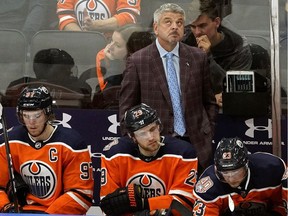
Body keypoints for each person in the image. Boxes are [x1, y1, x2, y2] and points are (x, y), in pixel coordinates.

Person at [119, 3, 218, 172]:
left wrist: (208, 132)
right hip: (156, 146)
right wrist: (137, 144)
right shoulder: (138, 61)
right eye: (168, 22)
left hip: (196, 144)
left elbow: (209, 101)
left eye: (179, 23)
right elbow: (126, 109)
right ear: (156, 28)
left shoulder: (198, 57)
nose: (174, 26)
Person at [0, 85, 94, 214]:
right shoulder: (8, 141)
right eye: (26, 116)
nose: (31, 122)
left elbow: (81, 193)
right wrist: (6, 208)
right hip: (21, 211)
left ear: (48, 113)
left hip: (57, 213)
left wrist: (48, 215)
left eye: (37, 116)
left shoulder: (71, 143)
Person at [99, 103, 198, 215]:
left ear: (159, 125)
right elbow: (108, 205)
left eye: (152, 129)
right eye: (142, 134)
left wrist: (142, 203)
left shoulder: (183, 153)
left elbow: (182, 203)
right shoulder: (113, 154)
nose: (151, 137)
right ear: (132, 137)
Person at [192, 137, 287, 216]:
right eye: (225, 173)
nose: (231, 178)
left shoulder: (272, 169)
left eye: (235, 172)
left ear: (246, 165)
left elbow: (281, 205)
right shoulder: (208, 186)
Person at [184, 0, 252, 107]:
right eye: (193, 26)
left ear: (216, 22)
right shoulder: (184, 41)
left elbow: (235, 88)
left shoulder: (238, 48)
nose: (197, 32)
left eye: (202, 26)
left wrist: (208, 57)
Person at [7, 48, 92, 95]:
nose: (69, 73)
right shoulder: (20, 87)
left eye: (69, 69)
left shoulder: (80, 88)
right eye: (65, 69)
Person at [56, 0, 141, 34]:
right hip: (78, 44)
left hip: (112, 48)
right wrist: (82, 38)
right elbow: (65, 17)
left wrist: (96, 25)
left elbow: (129, 17)